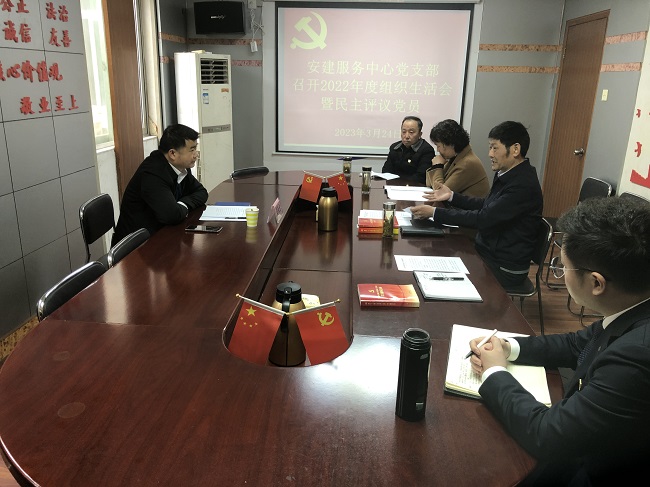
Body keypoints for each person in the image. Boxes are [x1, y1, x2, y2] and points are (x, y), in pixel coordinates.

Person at [469, 197, 650, 485]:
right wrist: (509, 347)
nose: (560, 273)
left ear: (596, 283)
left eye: (562, 267)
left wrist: (494, 372)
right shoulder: (632, 305)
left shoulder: (636, 356)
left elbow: (547, 434)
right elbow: (578, 344)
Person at [410, 121, 543, 289]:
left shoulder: (522, 185)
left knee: (437, 268)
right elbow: (487, 204)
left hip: (504, 266)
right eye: (490, 147)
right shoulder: (509, 174)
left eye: (495, 148)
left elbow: (484, 218)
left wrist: (435, 213)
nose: (490, 154)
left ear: (515, 149)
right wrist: (452, 197)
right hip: (488, 252)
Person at [112, 124, 208, 245]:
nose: (196, 155)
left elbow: (202, 192)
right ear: (172, 154)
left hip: (160, 234)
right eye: (192, 150)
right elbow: (171, 215)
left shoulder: (181, 167)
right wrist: (181, 207)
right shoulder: (152, 174)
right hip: (135, 247)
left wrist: (182, 204)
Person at [425, 119, 489, 196]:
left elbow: (441, 193)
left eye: (438, 146)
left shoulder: (467, 163)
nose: (438, 150)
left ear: (451, 144)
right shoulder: (456, 157)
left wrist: (437, 166)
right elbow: (429, 183)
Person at [381, 116, 435, 184]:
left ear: (420, 134)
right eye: (404, 132)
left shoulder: (427, 150)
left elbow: (421, 177)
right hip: (393, 186)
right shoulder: (395, 147)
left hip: (415, 187)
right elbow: (386, 171)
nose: (406, 136)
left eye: (411, 132)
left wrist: (399, 183)